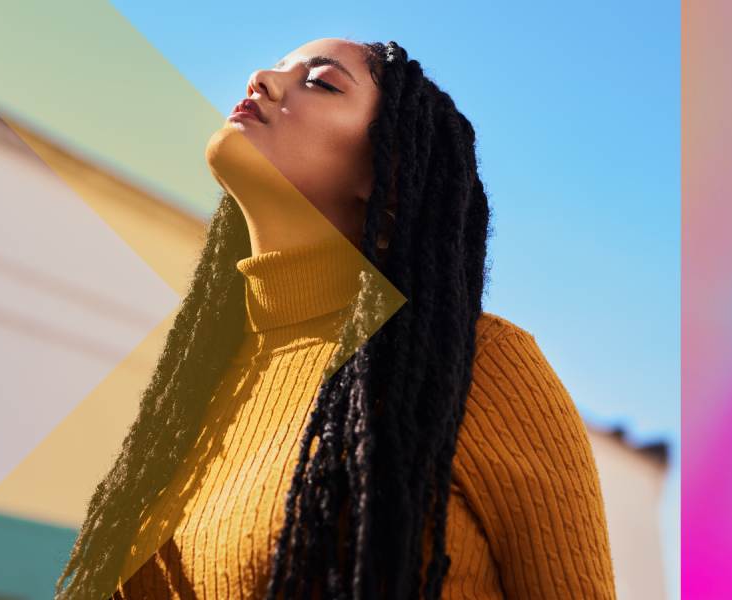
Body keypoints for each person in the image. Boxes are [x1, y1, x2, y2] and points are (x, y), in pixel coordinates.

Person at [54, 38, 616, 600]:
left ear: (388, 176)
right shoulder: (193, 392)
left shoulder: (478, 365)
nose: (260, 79)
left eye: (320, 82)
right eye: (274, 68)